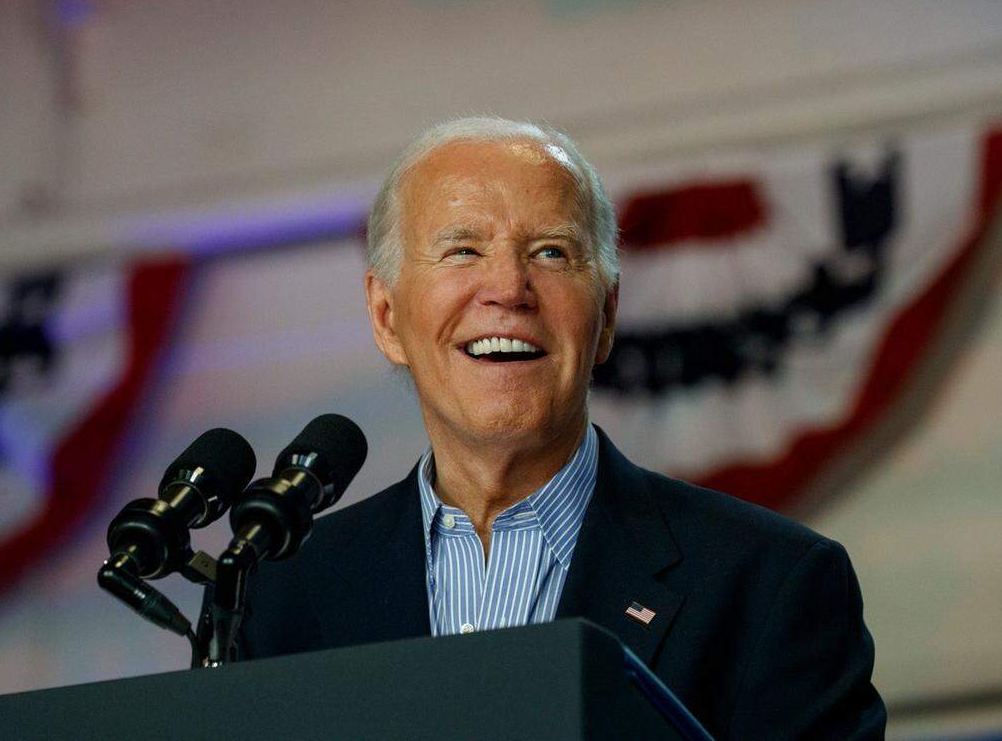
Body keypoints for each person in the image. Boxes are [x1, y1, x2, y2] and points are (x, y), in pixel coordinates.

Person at [235, 117, 887, 739]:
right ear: (385, 317)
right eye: (463, 250)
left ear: (606, 317)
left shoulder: (773, 585)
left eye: (551, 252)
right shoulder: (281, 597)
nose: (508, 289)